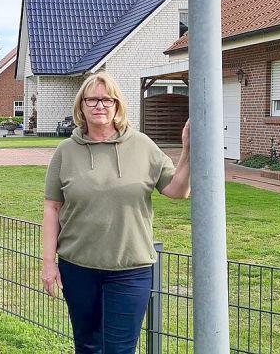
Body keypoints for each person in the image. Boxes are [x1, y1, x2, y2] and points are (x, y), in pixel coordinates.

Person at [41, 72, 191, 353]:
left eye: (107, 99)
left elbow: (178, 190)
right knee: (87, 346)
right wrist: (49, 263)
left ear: (118, 105)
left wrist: (188, 150)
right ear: (81, 106)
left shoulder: (143, 146)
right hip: (78, 267)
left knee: (120, 349)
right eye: (93, 100)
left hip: (130, 270)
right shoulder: (65, 151)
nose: (100, 105)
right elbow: (52, 208)